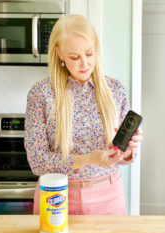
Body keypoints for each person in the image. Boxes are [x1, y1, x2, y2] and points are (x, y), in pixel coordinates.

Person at [24, 14, 143, 215]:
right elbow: (37, 162)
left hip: (109, 197)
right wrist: (89, 159)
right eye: (74, 57)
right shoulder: (41, 93)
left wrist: (127, 151)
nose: (84, 63)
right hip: (56, 197)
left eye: (89, 53)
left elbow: (125, 158)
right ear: (59, 53)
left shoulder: (116, 90)